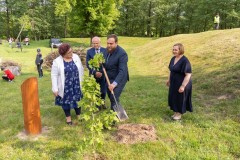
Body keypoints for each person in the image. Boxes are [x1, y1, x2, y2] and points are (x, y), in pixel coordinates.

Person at [51, 43, 84, 125]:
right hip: (65, 85)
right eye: (68, 53)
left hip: (76, 83)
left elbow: (81, 69)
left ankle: (79, 115)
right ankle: (68, 118)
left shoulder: (76, 57)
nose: (71, 53)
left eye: (71, 51)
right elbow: (54, 75)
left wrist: (82, 81)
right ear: (63, 54)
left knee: (78, 99)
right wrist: (55, 88)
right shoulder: (57, 62)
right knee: (65, 102)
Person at [166, 43, 193, 120]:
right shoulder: (173, 58)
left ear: (180, 50)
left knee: (180, 98)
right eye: (173, 49)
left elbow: (188, 74)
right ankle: (175, 112)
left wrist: (183, 86)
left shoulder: (185, 60)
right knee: (174, 97)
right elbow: (171, 71)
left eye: (176, 50)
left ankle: (179, 114)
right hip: (174, 82)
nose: (174, 51)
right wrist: (169, 79)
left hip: (182, 82)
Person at [104, 34, 129, 110]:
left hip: (120, 78)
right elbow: (105, 62)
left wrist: (114, 84)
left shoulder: (122, 54)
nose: (109, 45)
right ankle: (119, 111)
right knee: (111, 96)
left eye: (111, 44)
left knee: (114, 95)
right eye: (108, 43)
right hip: (109, 77)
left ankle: (113, 118)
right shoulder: (106, 50)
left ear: (116, 43)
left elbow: (122, 71)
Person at [86, 36, 107, 110]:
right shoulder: (89, 52)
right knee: (95, 91)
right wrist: (95, 72)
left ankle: (103, 102)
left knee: (103, 91)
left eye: (97, 43)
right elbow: (88, 64)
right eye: (93, 43)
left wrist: (101, 72)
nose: (95, 45)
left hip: (103, 75)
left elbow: (107, 62)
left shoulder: (105, 51)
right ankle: (97, 106)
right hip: (93, 75)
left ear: (100, 43)